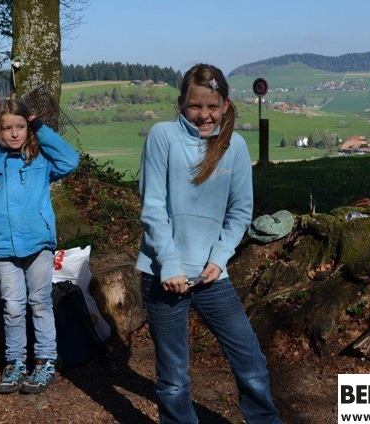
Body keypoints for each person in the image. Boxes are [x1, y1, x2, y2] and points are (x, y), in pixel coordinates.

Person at [135, 64, 282, 423]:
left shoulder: (235, 146)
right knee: (173, 377)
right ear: (181, 104)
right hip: (163, 275)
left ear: (225, 105)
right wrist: (170, 264)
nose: (204, 115)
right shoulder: (163, 136)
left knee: (251, 361)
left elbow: (240, 211)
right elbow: (152, 207)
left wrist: (219, 259)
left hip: (211, 276)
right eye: (195, 106)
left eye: (213, 107)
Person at [0, 99, 79, 395]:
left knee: (40, 302)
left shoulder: (39, 157)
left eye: (21, 127)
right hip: (2, 246)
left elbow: (70, 160)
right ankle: (15, 362)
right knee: (12, 306)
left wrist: (39, 126)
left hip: (38, 244)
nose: (14, 134)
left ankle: (45, 361)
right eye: (7, 128)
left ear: (28, 127)